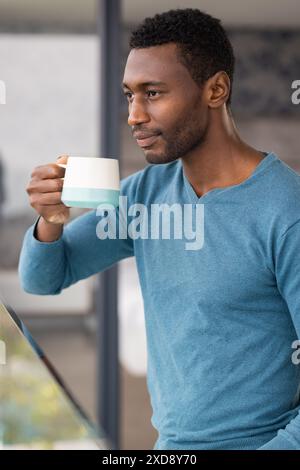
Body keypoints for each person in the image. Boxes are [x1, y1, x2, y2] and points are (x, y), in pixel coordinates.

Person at [18, 9, 300, 450]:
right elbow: (43, 280)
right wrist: (49, 220)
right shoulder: (144, 195)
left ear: (216, 90)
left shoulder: (287, 210)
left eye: (153, 93)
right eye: (129, 95)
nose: (134, 115)